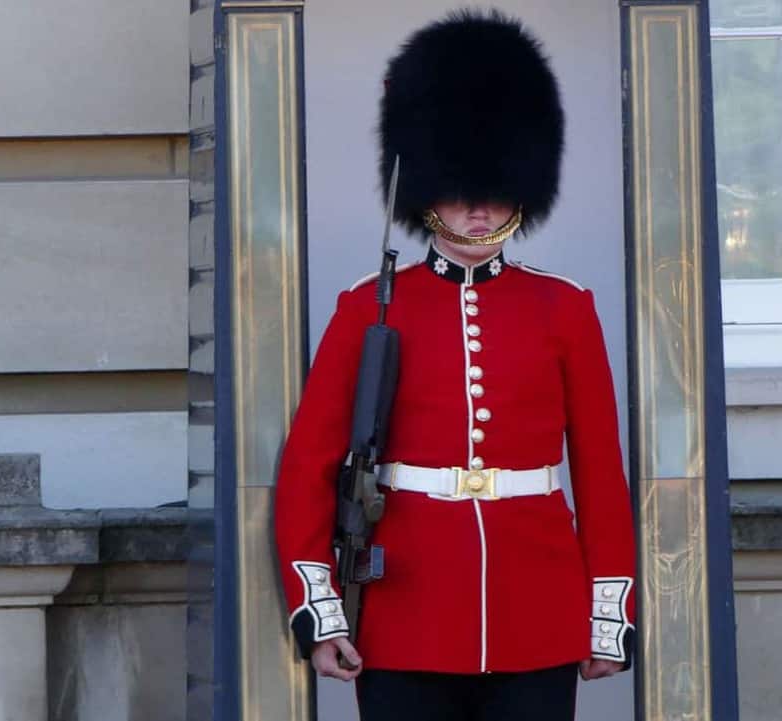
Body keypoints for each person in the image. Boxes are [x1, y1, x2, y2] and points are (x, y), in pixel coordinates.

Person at [274, 10, 636, 720]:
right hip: (406, 605)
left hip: (535, 603)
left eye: (494, 192)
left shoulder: (563, 307)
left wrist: (605, 611)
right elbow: (310, 466)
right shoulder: (368, 307)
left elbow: (597, 467)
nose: (477, 210)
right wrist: (320, 609)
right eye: (461, 191)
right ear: (426, 189)